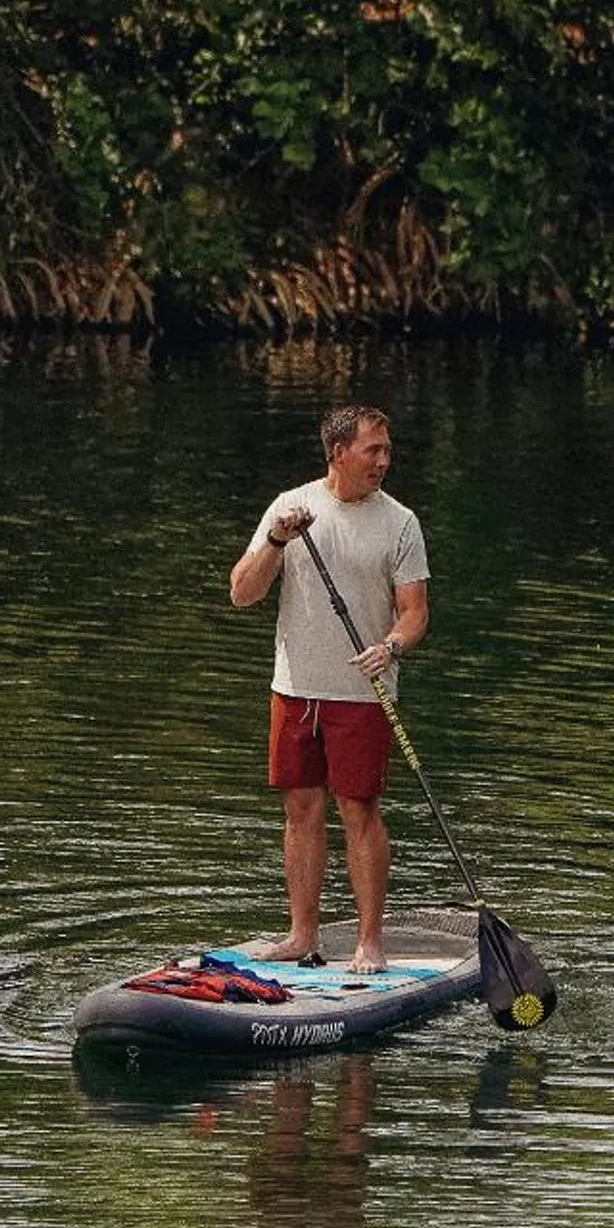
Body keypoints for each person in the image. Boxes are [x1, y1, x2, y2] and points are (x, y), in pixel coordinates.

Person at [228, 404, 431, 974]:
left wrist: (390, 646)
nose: (384, 461)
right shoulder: (291, 508)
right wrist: (275, 540)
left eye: (387, 450)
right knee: (300, 807)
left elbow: (415, 613)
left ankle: (370, 941)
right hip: (295, 688)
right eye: (374, 450)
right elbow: (242, 593)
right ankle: (302, 934)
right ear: (338, 453)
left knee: (359, 809)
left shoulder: (400, 523)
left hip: (364, 692)